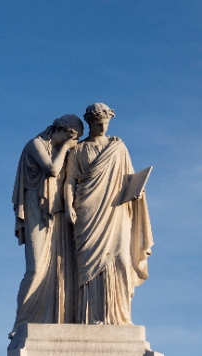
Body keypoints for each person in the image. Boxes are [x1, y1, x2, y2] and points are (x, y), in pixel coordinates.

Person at [63, 103, 153, 325]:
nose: (103, 127)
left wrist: (138, 191)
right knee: (88, 266)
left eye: (105, 123)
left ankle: (119, 318)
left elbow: (129, 178)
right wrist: (68, 206)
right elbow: (69, 181)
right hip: (87, 211)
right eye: (98, 124)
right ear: (90, 123)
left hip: (116, 211)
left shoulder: (118, 147)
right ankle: (89, 317)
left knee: (121, 260)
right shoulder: (78, 150)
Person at [11, 115, 84, 332]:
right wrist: (66, 149)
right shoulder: (35, 144)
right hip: (37, 210)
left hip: (58, 213)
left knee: (60, 270)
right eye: (73, 137)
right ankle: (22, 322)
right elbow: (52, 169)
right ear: (61, 130)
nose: (74, 143)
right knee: (36, 268)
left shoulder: (64, 152)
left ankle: (56, 319)